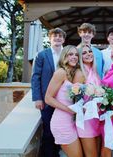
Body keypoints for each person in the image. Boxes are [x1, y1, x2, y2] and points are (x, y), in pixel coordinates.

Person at [31, 27, 66, 157]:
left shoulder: (67, 54)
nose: (57, 38)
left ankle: (59, 151)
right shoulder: (42, 55)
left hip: (64, 99)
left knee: (62, 127)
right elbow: (35, 77)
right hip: (47, 99)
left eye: (60, 36)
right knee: (49, 129)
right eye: (55, 36)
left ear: (63, 39)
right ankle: (49, 154)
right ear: (50, 38)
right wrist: (37, 98)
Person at [44, 45, 83, 157]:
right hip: (62, 122)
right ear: (64, 57)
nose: (74, 57)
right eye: (70, 54)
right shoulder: (60, 72)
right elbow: (48, 98)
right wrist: (70, 110)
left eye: (76, 54)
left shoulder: (71, 74)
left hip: (72, 121)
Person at [76, 44, 101, 157]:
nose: (88, 54)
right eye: (84, 53)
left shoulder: (94, 71)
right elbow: (75, 97)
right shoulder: (80, 73)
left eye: (89, 51)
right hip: (86, 118)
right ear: (80, 57)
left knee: (97, 153)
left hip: (97, 117)